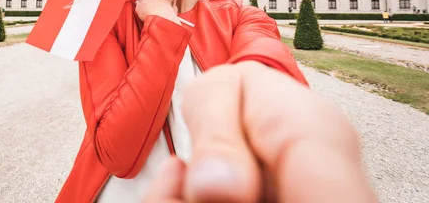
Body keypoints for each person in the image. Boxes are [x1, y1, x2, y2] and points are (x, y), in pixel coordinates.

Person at [55, 0, 308, 202]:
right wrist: (161, 26)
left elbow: (281, 104)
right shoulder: (100, 18)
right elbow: (117, 156)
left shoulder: (241, 16)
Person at [143, 63, 377, 202]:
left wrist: (260, 83)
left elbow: (261, 52)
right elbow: (118, 155)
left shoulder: (240, 13)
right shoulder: (116, 13)